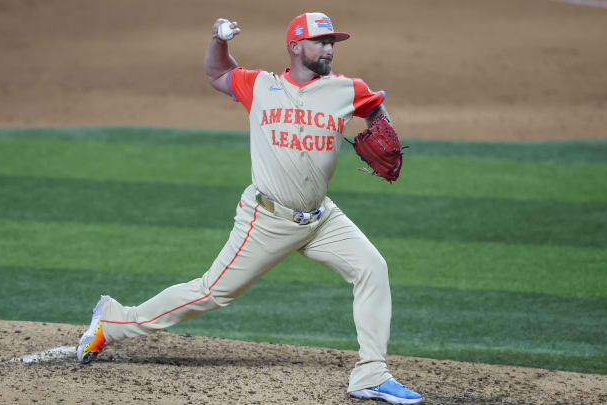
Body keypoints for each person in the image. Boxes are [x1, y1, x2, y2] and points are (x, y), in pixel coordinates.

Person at [77, 12, 422, 404]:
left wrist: (382, 126)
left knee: (372, 268)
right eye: (321, 41)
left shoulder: (347, 89)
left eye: (332, 43)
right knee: (211, 292)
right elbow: (215, 74)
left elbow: (376, 110)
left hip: (322, 218)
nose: (329, 49)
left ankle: (371, 374)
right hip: (268, 219)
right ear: (295, 47)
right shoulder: (259, 85)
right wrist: (219, 41)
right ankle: (113, 321)